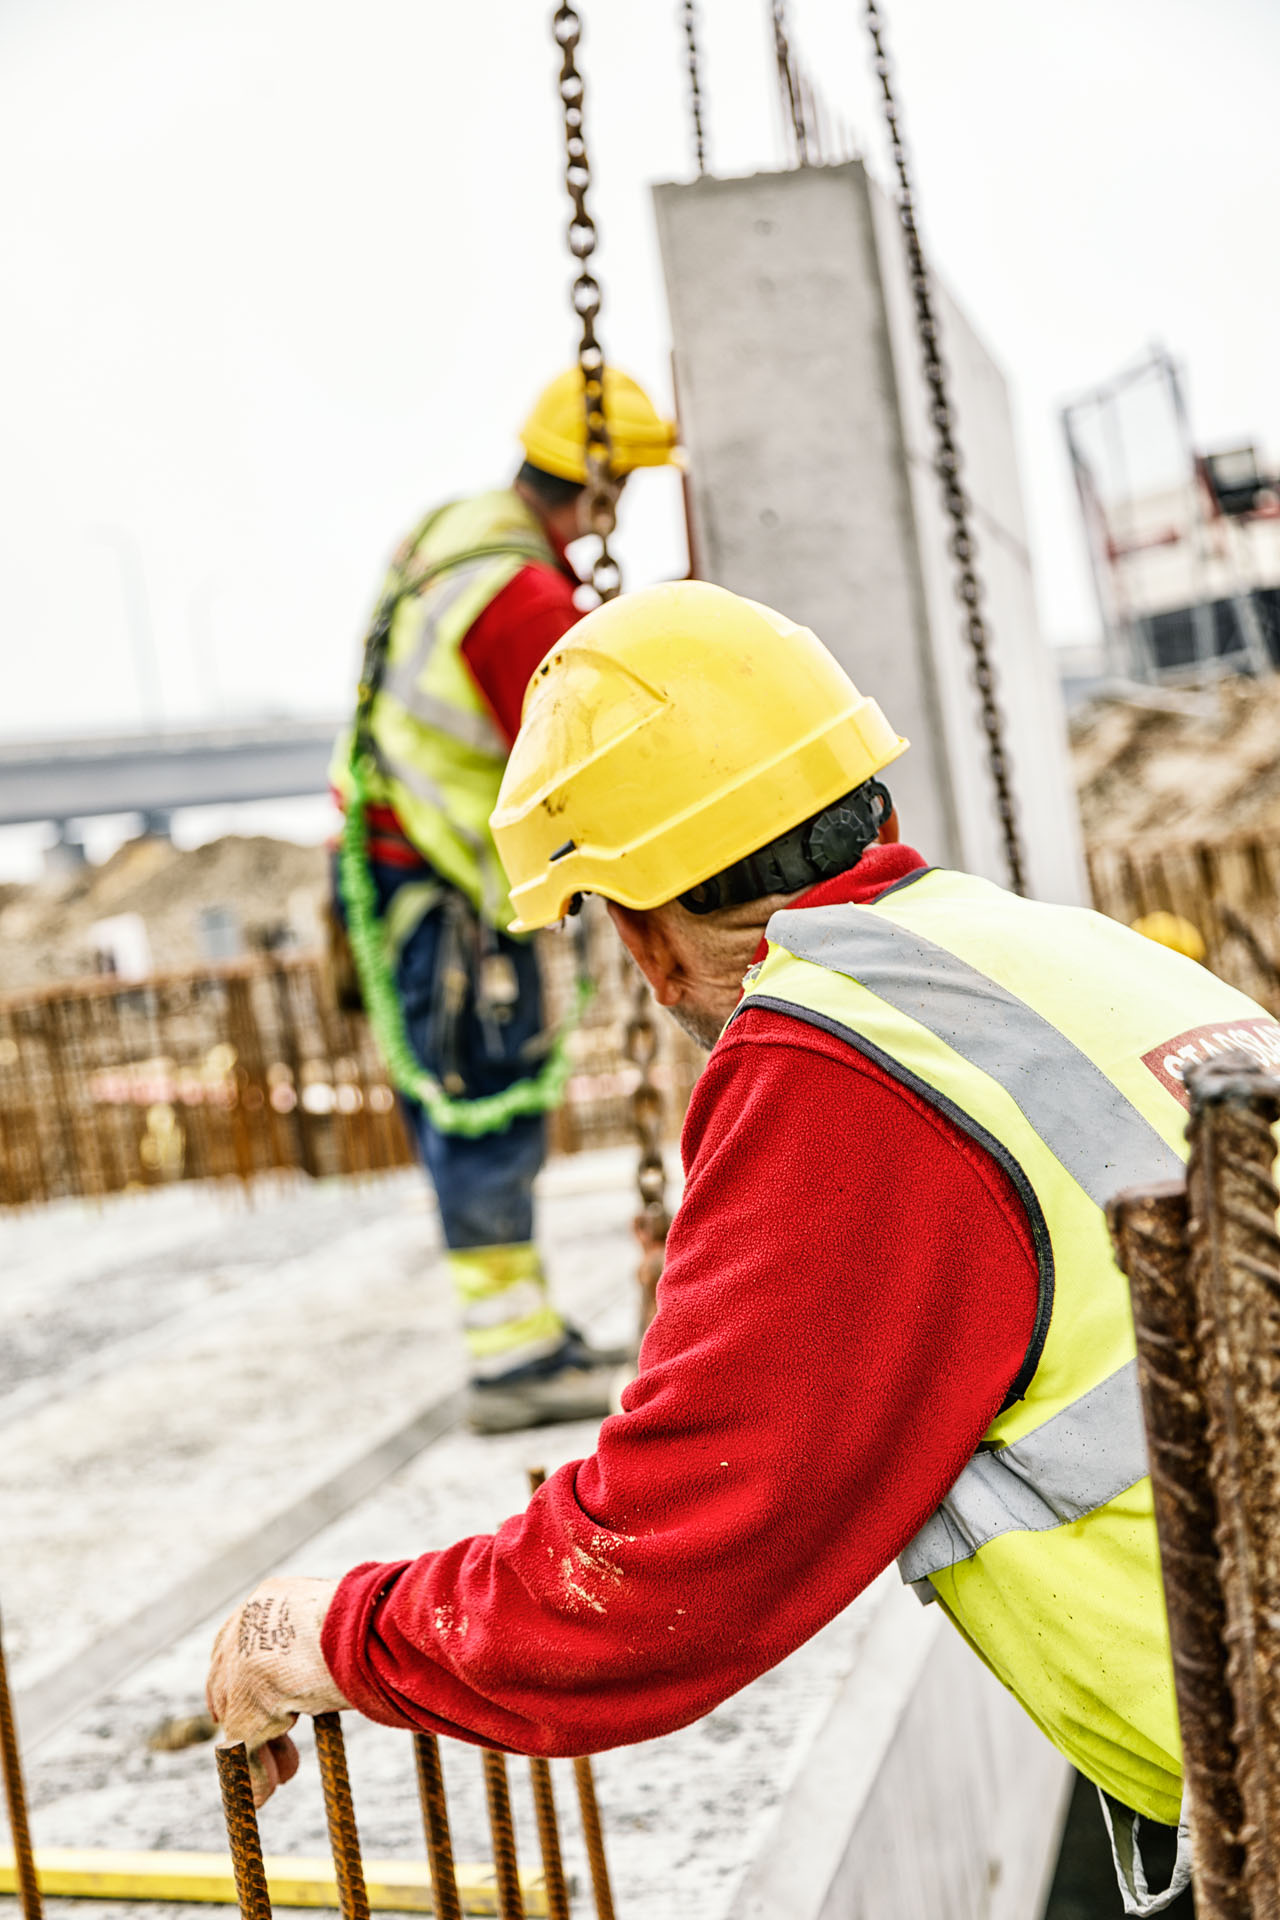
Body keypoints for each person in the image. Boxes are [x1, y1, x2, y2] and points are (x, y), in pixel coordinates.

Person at [215, 582, 1280, 1911]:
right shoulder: (1058, 951)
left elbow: (647, 1583)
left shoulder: (840, 1067)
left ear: (642, 937)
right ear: (866, 798)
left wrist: (327, 1633)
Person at [329, 367, 682, 1434]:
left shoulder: (463, 531)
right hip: (444, 878)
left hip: (410, 867)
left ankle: (524, 1338)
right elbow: (585, 740)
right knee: (481, 1099)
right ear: (602, 484)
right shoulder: (521, 597)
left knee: (478, 1092)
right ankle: (512, 1361)